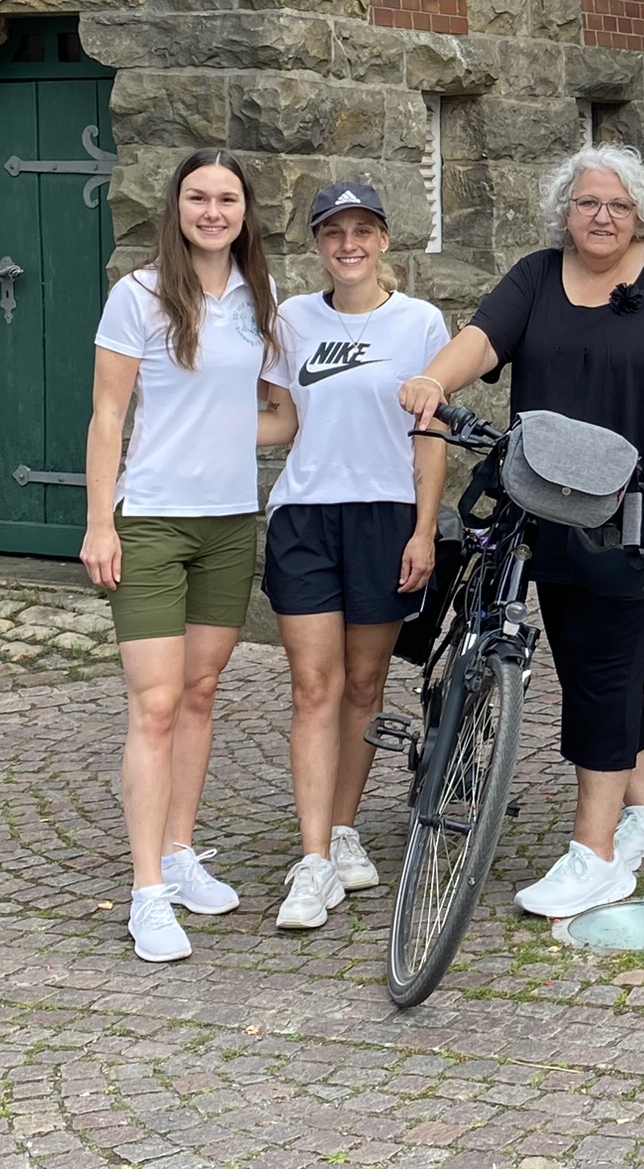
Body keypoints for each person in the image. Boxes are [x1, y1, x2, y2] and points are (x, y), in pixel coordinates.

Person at [399, 145, 644, 918]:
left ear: (639, 210)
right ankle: (643, 812)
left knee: (606, 667)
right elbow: (482, 339)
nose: (603, 217)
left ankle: (597, 853)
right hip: (549, 503)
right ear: (565, 211)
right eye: (588, 203)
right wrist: (434, 379)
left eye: (617, 205)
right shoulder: (536, 276)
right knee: (594, 661)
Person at [82, 148, 284, 963]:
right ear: (176, 207)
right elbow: (106, 416)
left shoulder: (258, 297)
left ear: (245, 213)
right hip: (155, 523)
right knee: (155, 704)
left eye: (227, 199)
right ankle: (147, 894)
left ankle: (179, 850)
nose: (212, 211)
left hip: (230, 523)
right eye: (197, 197)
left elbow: (282, 417)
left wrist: (221, 432)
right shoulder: (137, 296)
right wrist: (102, 522)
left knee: (200, 692)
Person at [260, 183, 449, 931]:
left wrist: (425, 530)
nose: (349, 245)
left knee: (364, 684)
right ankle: (312, 864)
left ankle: (342, 831)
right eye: (334, 232)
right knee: (314, 685)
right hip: (305, 515)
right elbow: (277, 420)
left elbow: (429, 436)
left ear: (383, 241)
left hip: (386, 516)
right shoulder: (291, 320)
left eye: (362, 230)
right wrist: (183, 431)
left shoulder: (420, 323)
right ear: (316, 244)